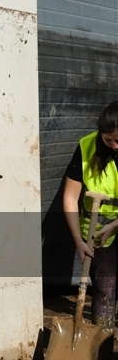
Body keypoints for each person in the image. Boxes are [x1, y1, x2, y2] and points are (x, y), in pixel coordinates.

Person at [63, 100, 118, 331]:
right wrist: (78, 241)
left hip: (112, 225)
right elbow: (70, 198)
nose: (115, 146)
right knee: (106, 287)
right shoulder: (87, 148)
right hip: (97, 231)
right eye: (109, 140)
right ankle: (102, 343)